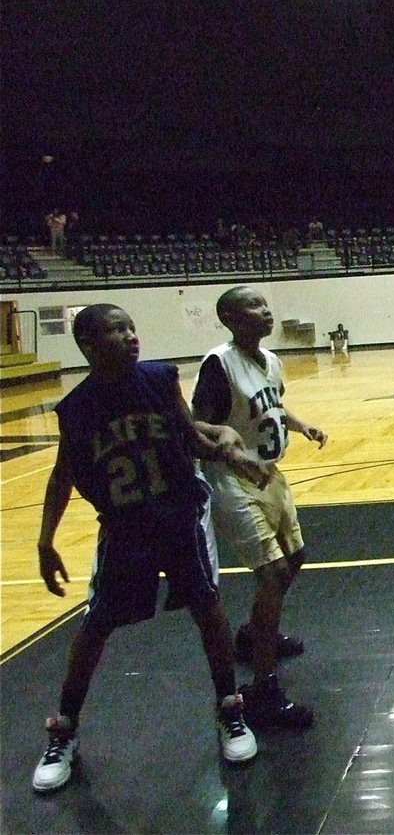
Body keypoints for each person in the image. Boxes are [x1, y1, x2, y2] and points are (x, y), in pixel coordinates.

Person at [31, 304, 269, 793]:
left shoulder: (160, 380)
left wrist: (232, 450)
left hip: (179, 515)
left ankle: (230, 710)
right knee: (96, 624)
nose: (131, 336)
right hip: (124, 527)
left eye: (132, 326)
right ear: (89, 346)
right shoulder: (76, 410)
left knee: (207, 607)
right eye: (117, 331)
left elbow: (189, 439)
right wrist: (44, 540)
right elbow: (63, 475)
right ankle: (64, 730)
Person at [192, 286, 328, 729]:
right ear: (230, 319)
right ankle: (263, 691)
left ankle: (253, 637)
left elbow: (273, 403)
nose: (265, 312)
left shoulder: (271, 361)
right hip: (233, 478)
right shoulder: (219, 364)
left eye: (266, 304)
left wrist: (300, 423)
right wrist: (232, 451)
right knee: (269, 574)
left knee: (295, 558)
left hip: (269, 472)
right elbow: (194, 423)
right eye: (253, 307)